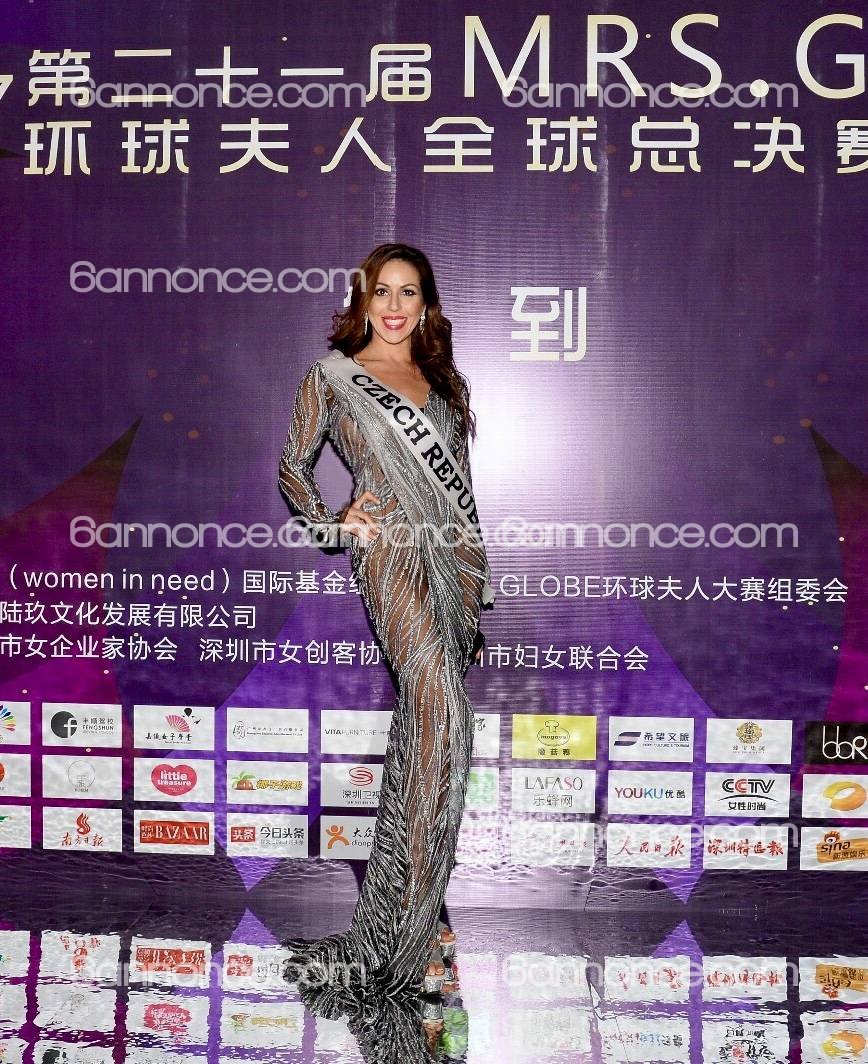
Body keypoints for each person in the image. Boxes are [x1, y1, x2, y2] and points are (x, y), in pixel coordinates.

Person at [277, 243, 493, 1030]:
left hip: (451, 565)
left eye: (409, 293)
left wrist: (476, 584)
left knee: (429, 733)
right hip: (393, 558)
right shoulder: (333, 377)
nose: (395, 306)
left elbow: (464, 490)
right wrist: (336, 523)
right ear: (362, 300)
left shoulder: (443, 383)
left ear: (426, 303)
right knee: (444, 714)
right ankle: (410, 929)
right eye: (382, 292)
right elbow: (292, 467)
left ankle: (408, 915)